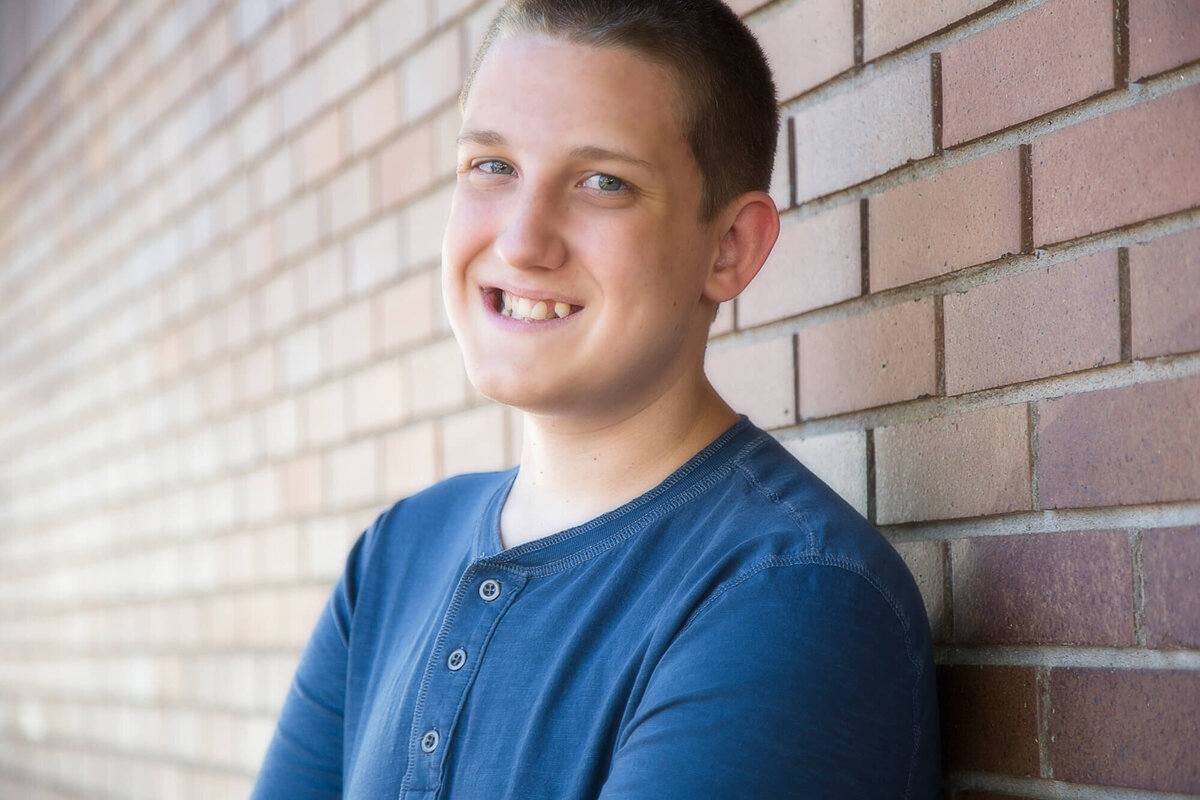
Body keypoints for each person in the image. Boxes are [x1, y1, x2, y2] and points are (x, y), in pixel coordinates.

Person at [251, 1, 940, 797]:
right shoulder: (397, 555)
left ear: (729, 249)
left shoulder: (788, 595)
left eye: (602, 182)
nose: (520, 241)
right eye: (493, 167)